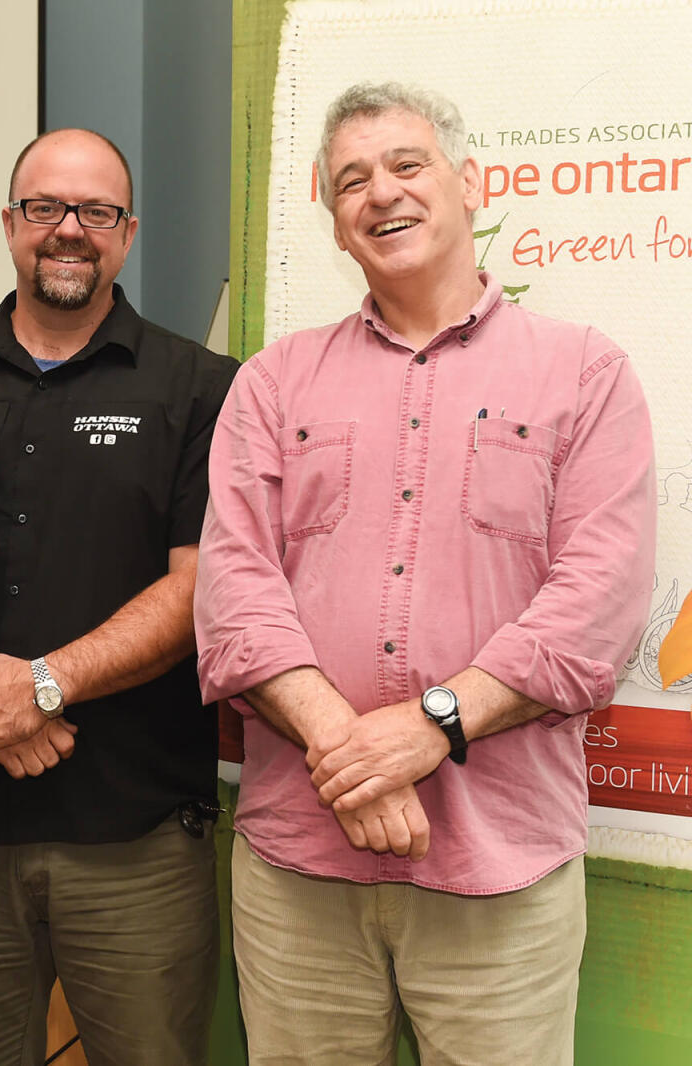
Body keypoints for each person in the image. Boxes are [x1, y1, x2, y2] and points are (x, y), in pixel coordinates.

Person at [196, 82, 656, 1065]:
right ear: (332, 220)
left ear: (470, 184)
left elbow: (597, 603)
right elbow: (235, 591)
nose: (379, 192)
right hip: (298, 876)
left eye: (406, 165)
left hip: (503, 877)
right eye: (350, 179)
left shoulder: (584, 374)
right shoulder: (271, 384)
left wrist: (429, 726)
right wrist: (347, 751)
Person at [0, 128, 237, 1065]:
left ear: (127, 234)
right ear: (11, 224)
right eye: (46, 209)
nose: (69, 232)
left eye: (95, 212)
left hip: (135, 833)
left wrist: (42, 684)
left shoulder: (201, 387)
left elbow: (200, 583)